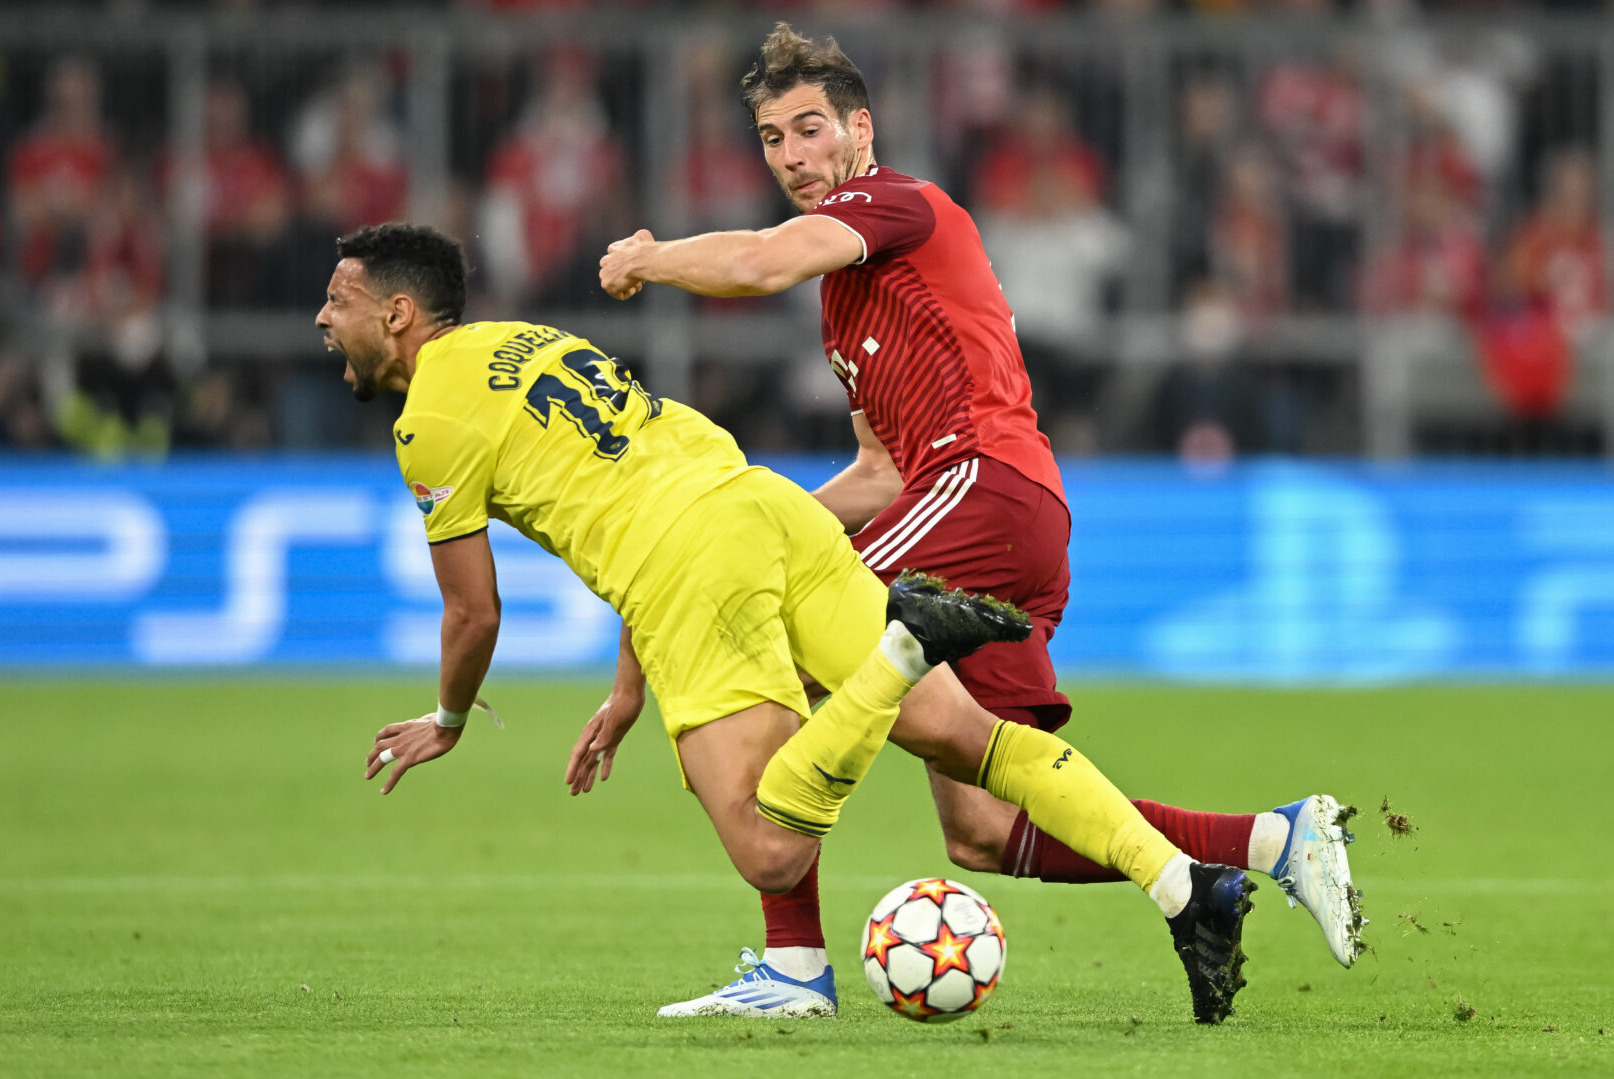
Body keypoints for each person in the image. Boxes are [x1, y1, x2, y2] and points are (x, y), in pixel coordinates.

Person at [596, 23, 1364, 1020]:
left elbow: (756, 264)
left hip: (980, 488)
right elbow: (878, 472)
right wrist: (752, 525)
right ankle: (1271, 841)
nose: (792, 155)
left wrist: (653, 256)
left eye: (810, 129)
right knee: (984, 829)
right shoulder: (845, 303)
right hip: (998, 514)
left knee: (770, 649)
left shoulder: (893, 203)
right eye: (772, 138)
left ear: (860, 130)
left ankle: (793, 966)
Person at [320, 221, 1257, 1026]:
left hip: (686, 565)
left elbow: (472, 612)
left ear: (398, 314)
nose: (324, 319)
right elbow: (639, 483)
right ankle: (1182, 887)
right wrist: (628, 687)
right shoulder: (526, 341)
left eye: (339, 301)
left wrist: (448, 718)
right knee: (969, 737)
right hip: (763, 506)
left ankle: (900, 653)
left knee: (771, 848)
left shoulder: (428, 422)